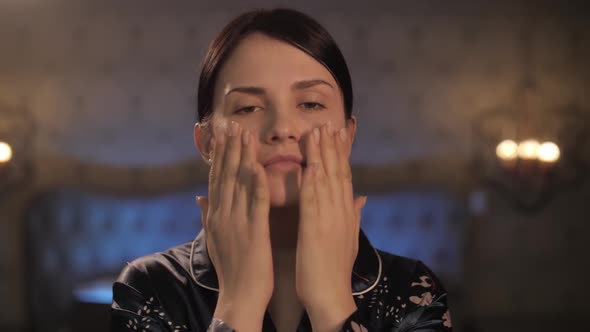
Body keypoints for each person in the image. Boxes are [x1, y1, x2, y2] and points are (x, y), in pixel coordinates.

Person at [111, 8, 452, 332]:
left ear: (348, 136)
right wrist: (239, 300)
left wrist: (331, 303)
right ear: (207, 142)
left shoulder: (413, 289)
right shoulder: (150, 285)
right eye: (248, 107)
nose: (282, 127)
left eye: (311, 103)